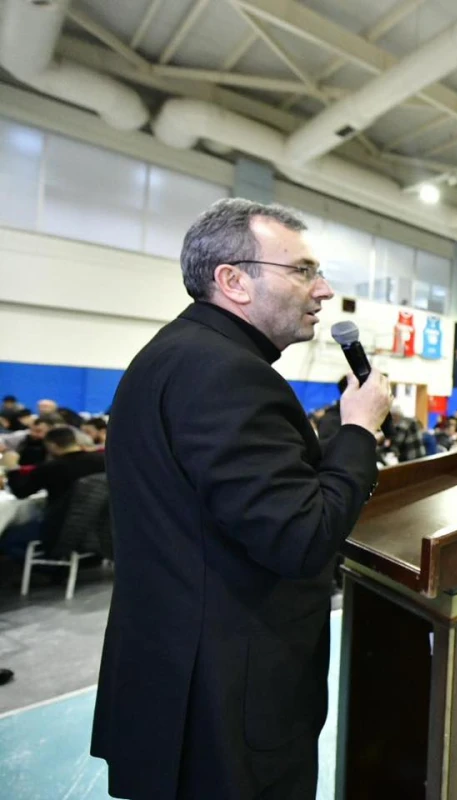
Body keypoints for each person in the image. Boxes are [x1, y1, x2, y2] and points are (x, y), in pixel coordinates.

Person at [91, 198, 392, 799]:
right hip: (226, 701)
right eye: (302, 270)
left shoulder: (175, 356)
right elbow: (301, 538)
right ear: (233, 281)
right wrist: (358, 432)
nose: (324, 289)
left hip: (179, 679)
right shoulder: (228, 374)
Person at [2, 426, 107, 561]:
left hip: (61, 527)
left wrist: (13, 468)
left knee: (7, 538)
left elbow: (21, 492)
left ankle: (49, 567)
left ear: (51, 445)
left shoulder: (50, 468)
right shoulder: (103, 461)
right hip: (100, 525)